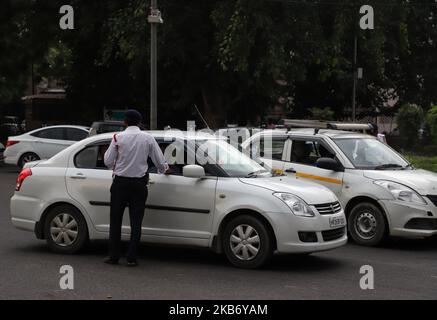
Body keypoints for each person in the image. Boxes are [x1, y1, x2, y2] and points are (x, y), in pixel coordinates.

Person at [103, 109, 168, 267]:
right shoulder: (148, 138)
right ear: (139, 122)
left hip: (120, 184)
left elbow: (107, 160)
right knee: (136, 222)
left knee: (115, 220)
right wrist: (165, 169)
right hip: (139, 184)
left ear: (125, 121)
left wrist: (117, 165)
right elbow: (159, 161)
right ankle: (132, 257)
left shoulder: (118, 138)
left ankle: (114, 256)